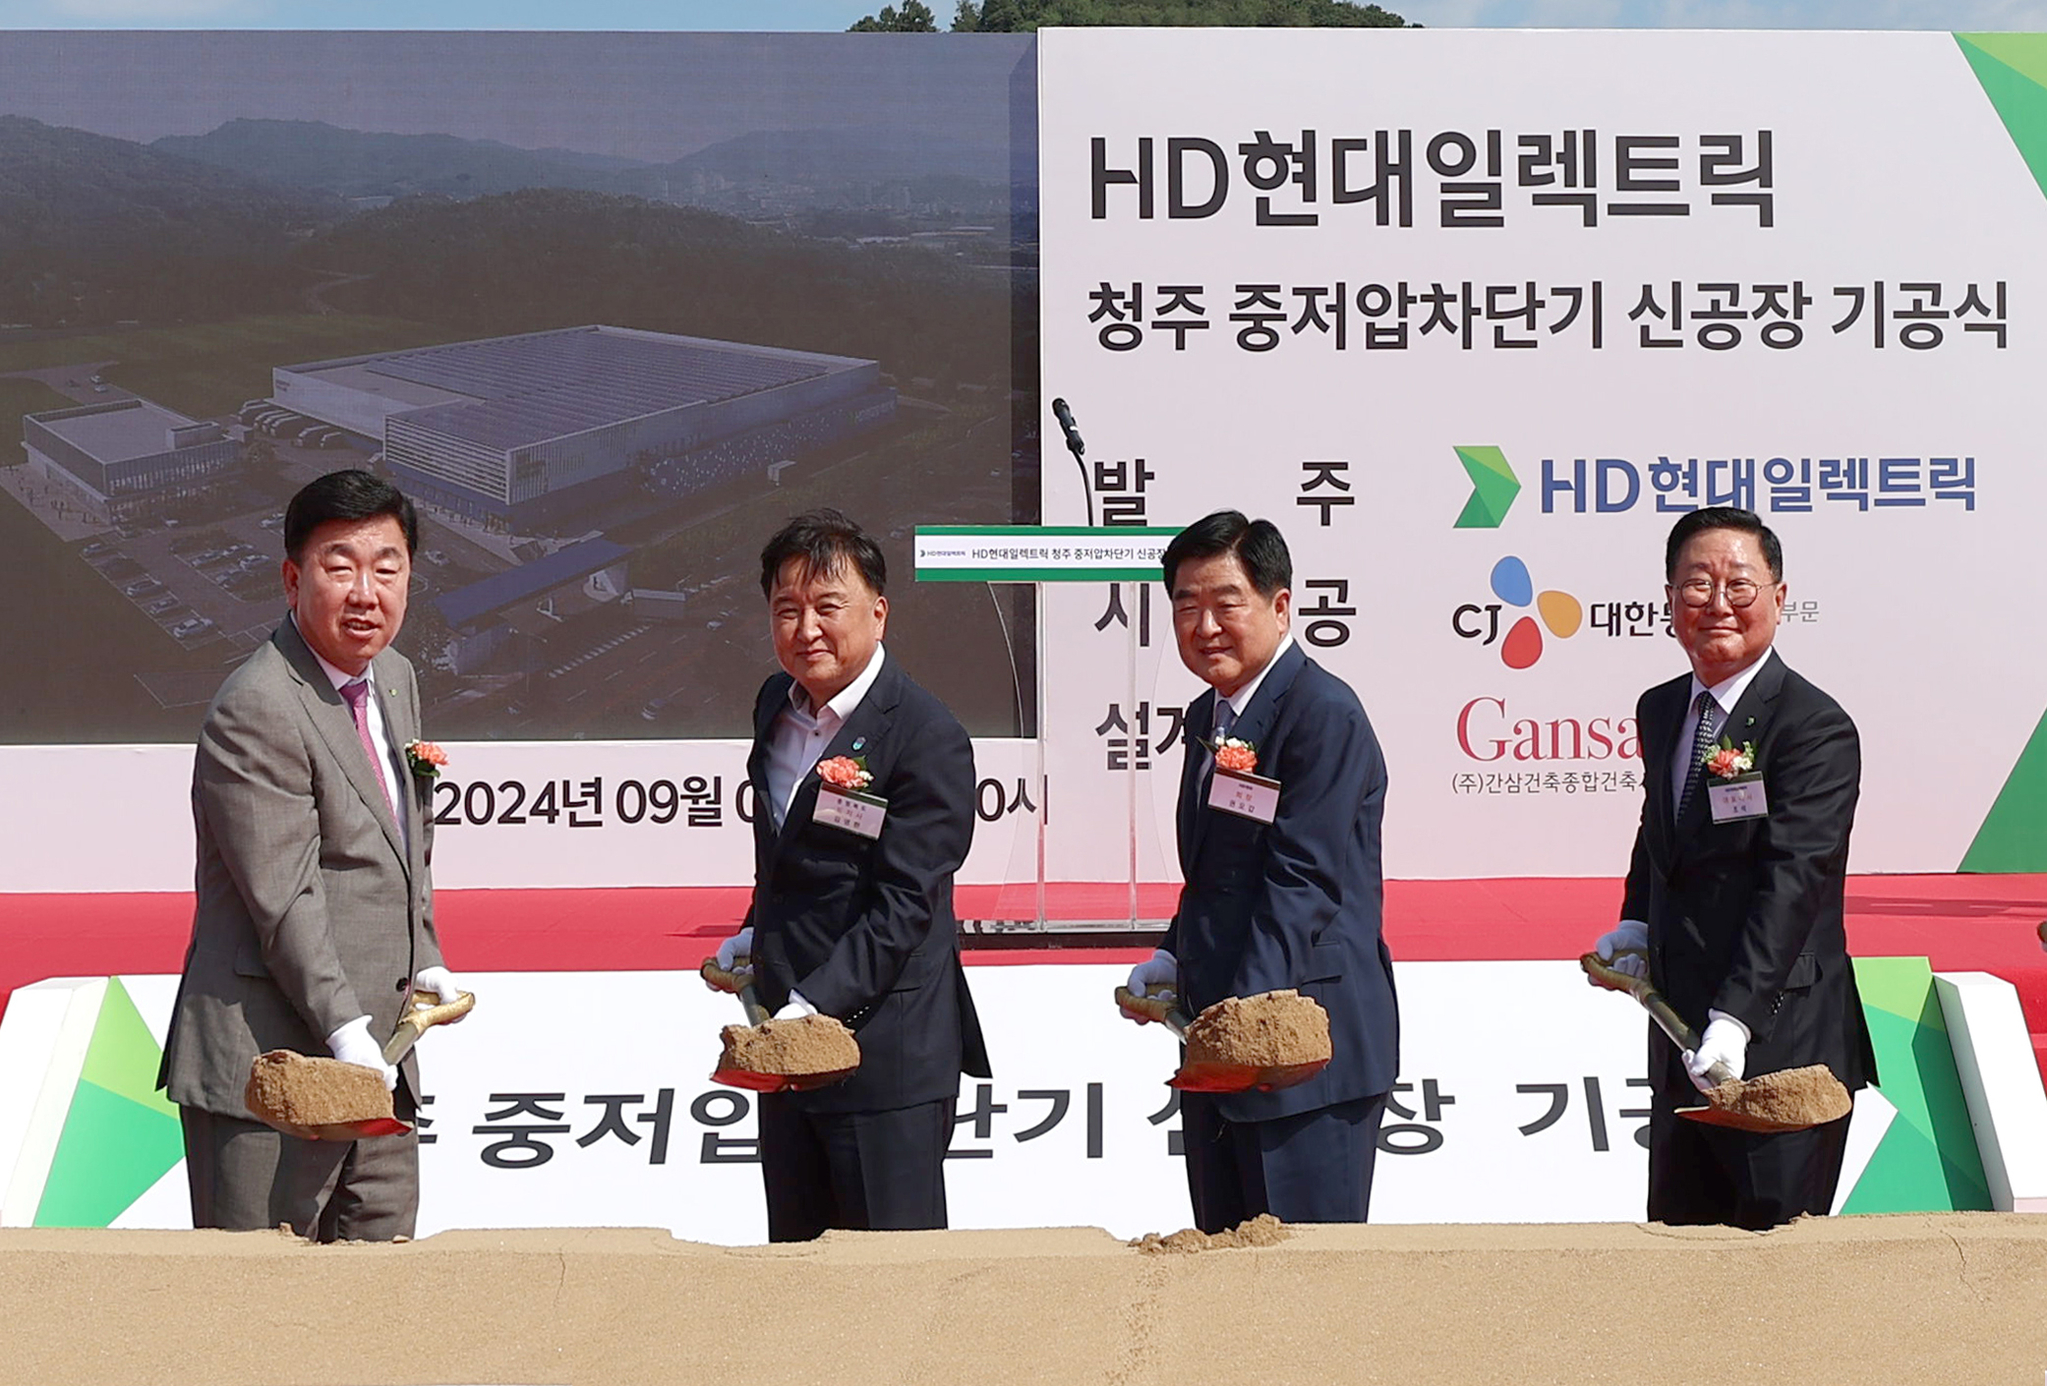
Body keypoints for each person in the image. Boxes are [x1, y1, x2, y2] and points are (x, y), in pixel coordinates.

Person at [158, 469, 462, 1240]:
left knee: (379, 1292)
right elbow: (284, 898)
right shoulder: (257, 704)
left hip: (382, 1057)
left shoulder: (393, 678)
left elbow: (402, 847)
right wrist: (344, 1033)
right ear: (293, 578)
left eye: (386, 567)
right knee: (260, 1311)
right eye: (340, 566)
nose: (366, 591)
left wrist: (424, 955)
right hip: (272, 1069)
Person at [1588, 506, 1875, 1229]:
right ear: (1667, 600)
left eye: (1738, 586)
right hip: (1680, 1026)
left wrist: (1735, 1020)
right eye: (1695, 586)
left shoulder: (1813, 726)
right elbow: (1660, 827)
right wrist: (1634, 919)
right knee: (1680, 1241)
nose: (1716, 604)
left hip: (1778, 1034)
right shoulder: (1660, 710)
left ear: (1779, 598)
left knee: (1773, 1257)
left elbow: (1794, 882)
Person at [710, 508, 990, 1242]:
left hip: (884, 1052)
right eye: (786, 609)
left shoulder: (926, 736)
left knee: (891, 1295)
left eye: (827, 607)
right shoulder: (775, 705)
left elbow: (905, 903)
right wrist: (753, 935)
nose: (806, 629)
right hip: (786, 1044)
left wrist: (814, 1004)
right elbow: (786, 854)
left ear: (878, 612)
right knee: (800, 1275)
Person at [1122, 510, 1399, 1232]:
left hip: (1300, 1057)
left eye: (1224, 602)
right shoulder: (1209, 717)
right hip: (1222, 1051)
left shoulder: (1321, 713)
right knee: (1224, 1290)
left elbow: (1301, 881)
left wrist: (1238, 1024)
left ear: (1280, 605)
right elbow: (1218, 873)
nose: (1204, 625)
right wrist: (1170, 955)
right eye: (1186, 606)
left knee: (1303, 1300)